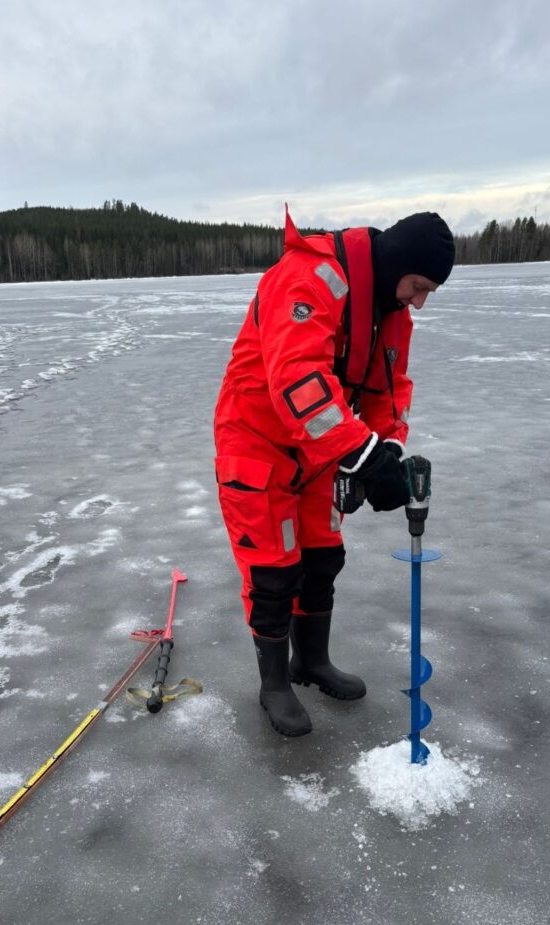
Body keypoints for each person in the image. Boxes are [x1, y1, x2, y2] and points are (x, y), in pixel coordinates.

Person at [214, 206, 455, 736]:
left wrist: (385, 450)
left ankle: (311, 662)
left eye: (428, 292)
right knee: (274, 572)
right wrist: (360, 452)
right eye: (417, 285)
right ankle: (274, 684)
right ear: (397, 264)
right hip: (258, 444)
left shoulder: (390, 308)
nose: (418, 300)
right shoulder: (310, 278)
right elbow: (296, 379)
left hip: (320, 449)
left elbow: (389, 390)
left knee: (323, 557)